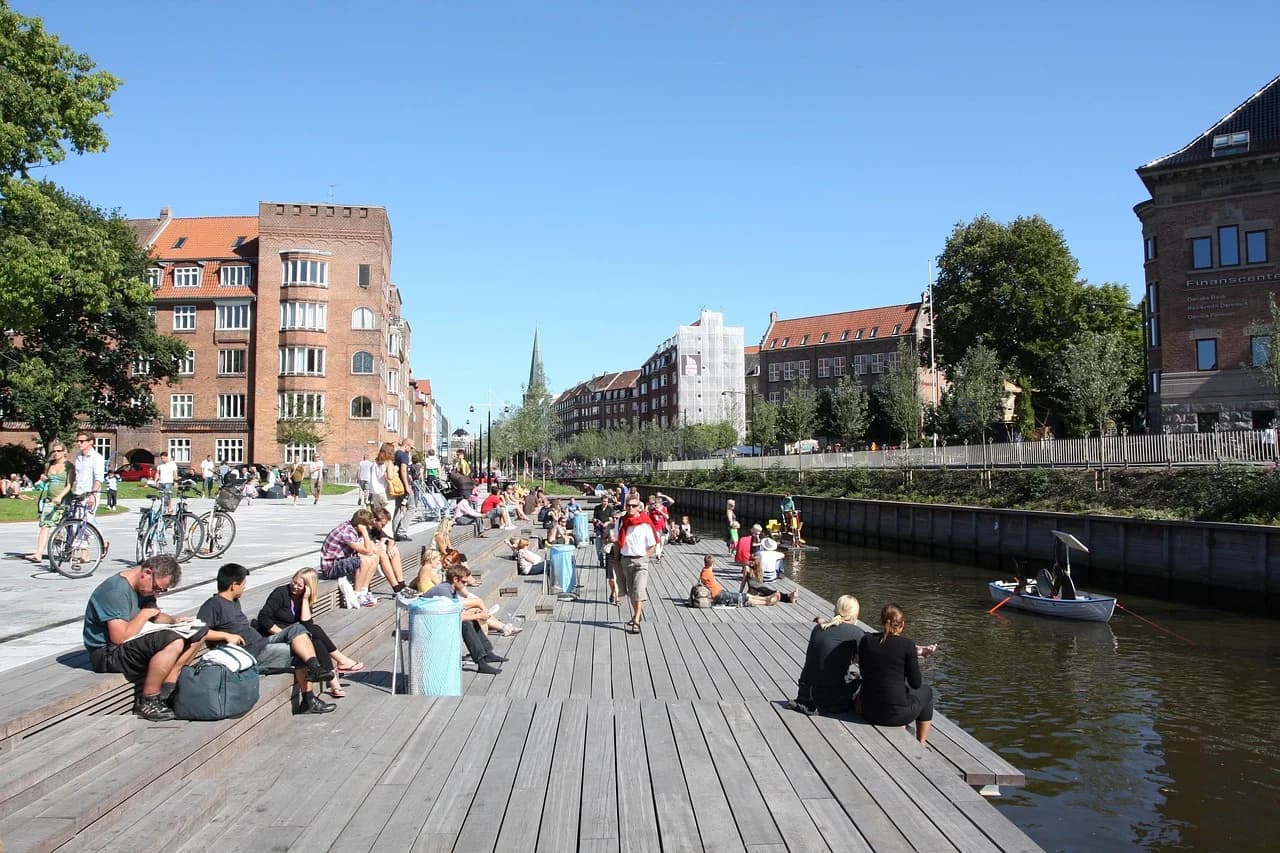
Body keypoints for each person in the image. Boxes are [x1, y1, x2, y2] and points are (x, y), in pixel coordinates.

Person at [199, 563, 335, 715]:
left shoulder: (233, 602)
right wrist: (225, 635)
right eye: (243, 583)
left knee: (299, 629)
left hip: (260, 644)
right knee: (300, 653)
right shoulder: (212, 605)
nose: (244, 587)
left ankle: (315, 668)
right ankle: (309, 700)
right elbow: (199, 632)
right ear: (233, 585)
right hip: (248, 654)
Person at [82, 556, 206, 722]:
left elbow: (155, 616)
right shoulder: (115, 592)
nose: (155, 594)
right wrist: (145, 613)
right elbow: (119, 637)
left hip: (130, 641)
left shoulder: (144, 588)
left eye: (160, 591)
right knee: (173, 641)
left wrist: (175, 621)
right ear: (146, 573)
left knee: (198, 633)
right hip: (106, 653)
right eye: (156, 588)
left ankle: (168, 689)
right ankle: (148, 701)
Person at [258, 568, 364, 699]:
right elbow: (263, 618)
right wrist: (286, 634)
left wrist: (305, 599)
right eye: (294, 582)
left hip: (295, 635)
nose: (294, 586)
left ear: (308, 587)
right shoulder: (280, 593)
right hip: (272, 635)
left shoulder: (305, 598)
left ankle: (333, 682)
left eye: (299, 585)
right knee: (315, 630)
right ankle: (340, 664)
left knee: (316, 639)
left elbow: (307, 624)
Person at [857, 604, 934, 745]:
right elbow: (915, 684)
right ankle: (921, 742)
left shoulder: (866, 641)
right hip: (896, 715)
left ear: (882, 621)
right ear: (902, 624)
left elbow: (864, 673)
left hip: (868, 711)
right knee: (927, 692)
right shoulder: (907, 645)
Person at [423, 564, 505, 674]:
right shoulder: (444, 591)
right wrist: (479, 616)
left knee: (471, 619)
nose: (466, 584)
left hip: (438, 619)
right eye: (464, 582)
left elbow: (456, 612)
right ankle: (481, 663)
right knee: (465, 624)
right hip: (428, 625)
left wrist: (475, 614)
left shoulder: (450, 589)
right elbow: (456, 617)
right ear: (455, 579)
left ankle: (487, 653)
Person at [790, 595, 864, 715]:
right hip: (829, 698)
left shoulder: (818, 628)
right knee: (860, 682)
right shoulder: (856, 633)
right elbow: (868, 662)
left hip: (805, 692)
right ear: (855, 614)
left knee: (848, 675)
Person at [318, 508, 382, 608]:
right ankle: (357, 594)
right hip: (331, 567)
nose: (370, 528)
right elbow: (367, 550)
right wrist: (365, 532)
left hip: (342, 561)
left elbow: (372, 551)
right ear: (361, 525)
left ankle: (364, 592)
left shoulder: (354, 529)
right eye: (367, 526)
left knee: (374, 558)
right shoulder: (347, 531)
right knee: (364, 560)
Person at [616, 495, 656, 634]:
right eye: (629, 506)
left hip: (640, 561)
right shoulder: (621, 521)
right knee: (631, 592)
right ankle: (635, 615)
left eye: (634, 506)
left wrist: (645, 558)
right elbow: (616, 539)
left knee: (639, 590)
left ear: (639, 507)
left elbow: (652, 544)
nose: (631, 508)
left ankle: (637, 621)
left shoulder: (645, 522)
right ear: (625, 506)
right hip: (625, 559)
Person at [27, 442, 73, 562]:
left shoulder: (69, 466)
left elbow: (69, 485)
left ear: (64, 452)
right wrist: (44, 479)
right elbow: (48, 481)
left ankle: (68, 550)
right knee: (45, 525)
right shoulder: (49, 465)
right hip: (50, 500)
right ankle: (38, 554)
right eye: (54, 451)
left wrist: (60, 496)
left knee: (64, 526)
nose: (56, 453)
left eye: (58, 451)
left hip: (63, 500)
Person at [698, 555, 779, 607]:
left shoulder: (704, 570)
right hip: (719, 596)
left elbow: (700, 582)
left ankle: (766, 598)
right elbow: (701, 583)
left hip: (721, 593)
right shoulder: (707, 573)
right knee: (743, 598)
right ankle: (766, 602)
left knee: (744, 596)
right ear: (713, 563)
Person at [365, 506, 412, 593]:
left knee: (393, 550)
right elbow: (370, 547)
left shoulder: (376, 528)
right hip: (361, 555)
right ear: (375, 520)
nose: (383, 527)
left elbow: (390, 539)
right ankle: (396, 587)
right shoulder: (366, 529)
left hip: (370, 552)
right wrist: (381, 543)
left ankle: (401, 583)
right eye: (382, 524)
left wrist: (389, 545)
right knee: (382, 554)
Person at [392, 439, 413, 540]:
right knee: (411, 507)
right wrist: (407, 486)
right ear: (406, 445)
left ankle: (395, 532)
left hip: (397, 486)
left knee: (398, 508)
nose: (411, 450)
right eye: (411, 447)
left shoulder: (395, 454)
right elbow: (403, 470)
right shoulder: (404, 456)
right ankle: (402, 531)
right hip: (404, 485)